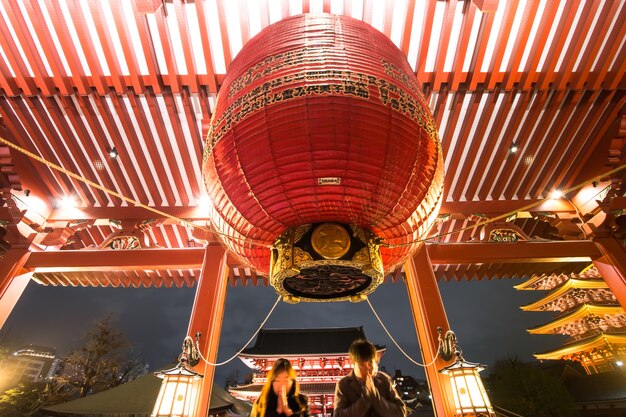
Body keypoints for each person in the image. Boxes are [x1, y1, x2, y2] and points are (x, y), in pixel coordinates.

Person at [333, 339, 407, 417]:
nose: (367, 368)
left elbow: (400, 412)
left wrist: (375, 397)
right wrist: (365, 399)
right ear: (353, 363)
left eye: (370, 363)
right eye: (362, 364)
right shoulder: (344, 384)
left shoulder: (384, 379)